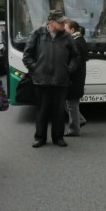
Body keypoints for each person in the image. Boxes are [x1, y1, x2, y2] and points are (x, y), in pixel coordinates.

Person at [23, 10, 80, 148]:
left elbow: (75, 56)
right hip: (41, 80)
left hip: (61, 80)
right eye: (60, 22)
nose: (63, 24)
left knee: (59, 111)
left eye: (64, 22)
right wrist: (35, 68)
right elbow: (27, 55)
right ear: (50, 22)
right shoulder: (37, 34)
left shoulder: (67, 37)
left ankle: (58, 137)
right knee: (42, 111)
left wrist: (69, 69)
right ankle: (40, 138)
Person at [63, 19, 88, 137]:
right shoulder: (79, 39)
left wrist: (66, 73)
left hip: (73, 79)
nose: (63, 30)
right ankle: (80, 120)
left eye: (65, 29)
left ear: (72, 30)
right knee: (68, 103)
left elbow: (74, 62)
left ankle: (74, 129)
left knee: (71, 104)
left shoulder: (75, 42)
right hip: (76, 78)